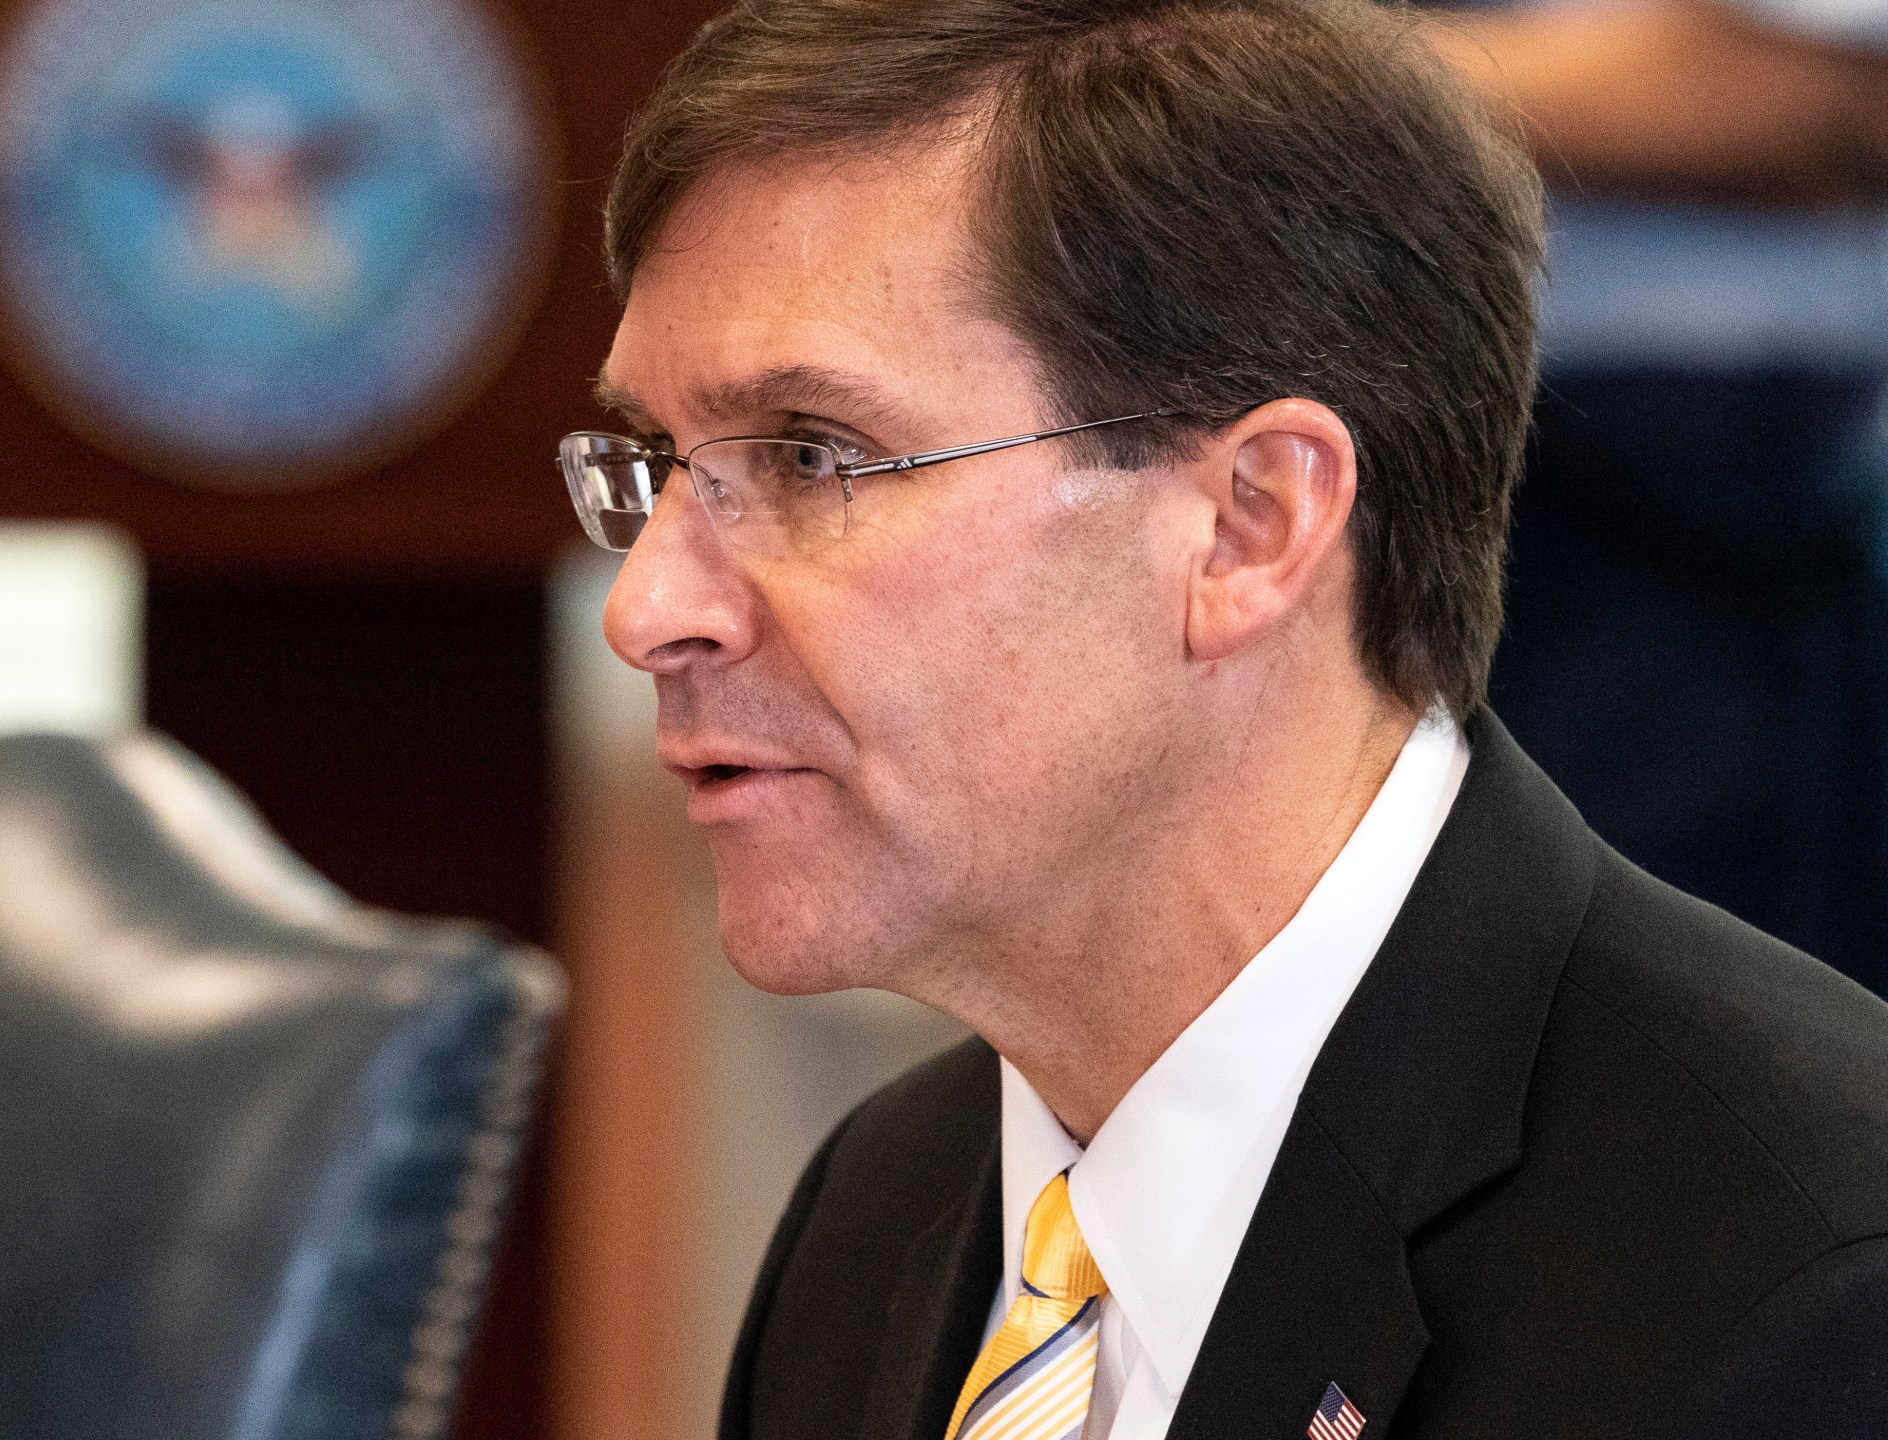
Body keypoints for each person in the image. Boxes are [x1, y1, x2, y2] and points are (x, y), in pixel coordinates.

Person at [549, 0, 1888, 1435]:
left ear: (1252, 525)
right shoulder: (881, 1212)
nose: (647, 611)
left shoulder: (1802, 1296)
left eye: (814, 456)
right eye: (660, 462)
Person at [1436, 0, 1888, 985]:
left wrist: (1265, 84)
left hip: (1668, 515)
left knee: (1645, 1034)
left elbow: (1816, 94)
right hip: (1346, 427)